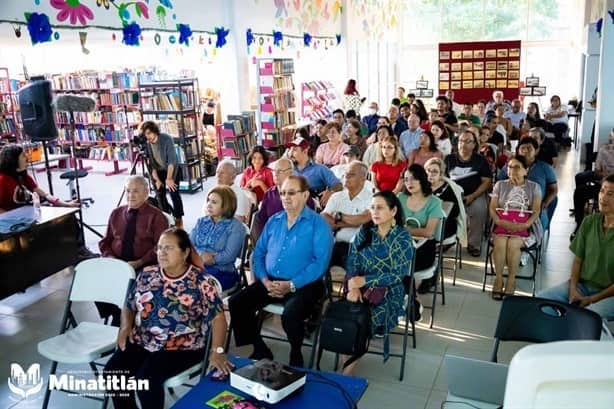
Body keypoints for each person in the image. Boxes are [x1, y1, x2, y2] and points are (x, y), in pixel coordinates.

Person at [104, 228, 232, 409]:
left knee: (146, 381)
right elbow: (129, 304)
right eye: (160, 248)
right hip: (145, 339)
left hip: (183, 346)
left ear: (185, 252)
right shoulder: (147, 274)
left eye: (169, 248)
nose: (161, 253)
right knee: (113, 373)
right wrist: (125, 328)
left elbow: (218, 317)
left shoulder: (201, 281)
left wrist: (217, 351)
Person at [229, 176, 334, 367]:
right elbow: (259, 253)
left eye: (291, 193)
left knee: (291, 314)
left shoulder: (318, 224)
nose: (285, 197)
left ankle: (296, 352)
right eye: (283, 193)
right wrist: (264, 280)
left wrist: (291, 285)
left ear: (305, 195)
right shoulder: (274, 221)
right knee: (237, 302)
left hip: (305, 284)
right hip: (271, 281)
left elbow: (320, 264)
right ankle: (259, 346)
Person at [343, 191, 414, 374]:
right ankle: (347, 367)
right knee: (348, 317)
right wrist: (354, 284)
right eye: (372, 207)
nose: (374, 212)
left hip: (389, 291)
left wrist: (365, 280)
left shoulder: (402, 237)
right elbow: (352, 259)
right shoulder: (366, 231)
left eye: (380, 208)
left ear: (393, 211)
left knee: (363, 320)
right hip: (359, 285)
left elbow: (398, 274)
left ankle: (345, 374)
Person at [538, 174, 614, 321]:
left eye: (610, 194)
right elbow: (578, 260)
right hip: (583, 286)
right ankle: (557, 337)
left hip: (609, 294)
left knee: (588, 317)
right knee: (541, 300)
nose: (603, 197)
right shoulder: (589, 222)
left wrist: (592, 299)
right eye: (602, 191)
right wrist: (573, 289)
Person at [98, 175, 169, 325]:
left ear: (146, 193)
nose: (131, 195)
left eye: (135, 191)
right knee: (94, 280)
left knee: (130, 284)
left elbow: (160, 248)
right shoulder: (116, 213)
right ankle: (117, 313)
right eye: (128, 191)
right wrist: (112, 260)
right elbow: (105, 243)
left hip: (144, 265)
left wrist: (139, 262)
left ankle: (123, 320)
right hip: (117, 263)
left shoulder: (157, 217)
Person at [489, 156, 543, 299]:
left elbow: (536, 210)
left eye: (517, 167)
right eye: (510, 167)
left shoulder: (534, 187)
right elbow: (493, 207)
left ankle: (511, 279)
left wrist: (524, 225)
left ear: (526, 170)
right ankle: (498, 278)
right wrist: (499, 221)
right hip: (502, 224)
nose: (512, 170)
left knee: (513, 243)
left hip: (526, 226)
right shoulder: (500, 185)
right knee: (500, 242)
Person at [398, 164, 445, 297]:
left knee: (400, 263)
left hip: (424, 247)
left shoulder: (434, 202)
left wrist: (404, 230)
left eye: (413, 178)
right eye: (406, 179)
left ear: (422, 179)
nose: (409, 183)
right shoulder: (400, 198)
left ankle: (408, 301)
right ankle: (407, 301)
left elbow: (428, 232)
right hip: (401, 244)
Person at [445, 130, 493, 257]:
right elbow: (443, 179)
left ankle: (473, 244)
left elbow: (487, 182)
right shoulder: (449, 159)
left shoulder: (480, 160)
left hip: (474, 195)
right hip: (452, 195)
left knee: (479, 210)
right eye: (461, 141)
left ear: (474, 145)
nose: (463, 144)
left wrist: (472, 196)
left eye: (468, 141)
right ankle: (447, 239)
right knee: (442, 209)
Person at [190, 186, 245, 291]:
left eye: (214, 202)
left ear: (226, 205)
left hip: (222, 272)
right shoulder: (201, 221)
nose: (209, 205)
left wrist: (213, 259)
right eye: (208, 201)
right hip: (197, 267)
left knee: (193, 288)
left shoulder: (235, 226)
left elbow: (229, 255)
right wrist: (202, 255)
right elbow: (189, 245)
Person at [322, 161, 373, 270]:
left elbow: (363, 219)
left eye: (351, 175)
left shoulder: (371, 198)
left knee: (353, 270)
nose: (346, 177)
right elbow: (324, 219)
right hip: (334, 244)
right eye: (345, 174)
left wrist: (339, 216)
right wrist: (353, 222)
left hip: (358, 247)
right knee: (314, 264)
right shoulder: (336, 197)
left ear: (363, 177)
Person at [499, 137, 558, 230]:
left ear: (536, 151)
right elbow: (499, 185)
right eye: (522, 148)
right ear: (518, 150)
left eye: (529, 148)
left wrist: (546, 203)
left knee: (539, 219)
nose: (525, 151)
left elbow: (554, 189)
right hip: (511, 204)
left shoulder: (545, 168)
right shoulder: (509, 166)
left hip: (536, 205)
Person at [0, 144, 79, 213]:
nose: (27, 157)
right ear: (13, 161)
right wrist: (11, 219)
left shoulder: (24, 176)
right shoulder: (2, 180)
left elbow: (45, 195)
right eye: (23, 155)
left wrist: (66, 204)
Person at [256, 157, 315, 239]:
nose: (275, 174)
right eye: (274, 171)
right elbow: (262, 220)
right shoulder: (269, 194)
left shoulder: (301, 193)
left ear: (291, 173)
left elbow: (310, 221)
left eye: (279, 171)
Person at [141, 121, 184, 228]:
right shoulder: (147, 144)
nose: (148, 137)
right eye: (145, 134)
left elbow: (172, 161)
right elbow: (151, 165)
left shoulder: (166, 139)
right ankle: (165, 216)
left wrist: (169, 179)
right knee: (160, 194)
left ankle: (179, 218)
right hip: (158, 171)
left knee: (174, 192)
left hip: (171, 169)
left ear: (155, 131)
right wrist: (157, 180)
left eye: (149, 133)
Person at [572, 128, 614, 235]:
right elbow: (597, 172)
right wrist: (604, 174)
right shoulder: (604, 150)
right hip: (603, 186)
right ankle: (580, 224)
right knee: (579, 192)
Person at [287, 136, 341, 207]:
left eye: (294, 150)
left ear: (305, 151)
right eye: (289, 150)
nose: (290, 153)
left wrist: (330, 191)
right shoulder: (287, 170)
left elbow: (338, 185)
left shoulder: (320, 169)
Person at [425, 158, 464, 242]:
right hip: (424, 222)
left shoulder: (448, 189)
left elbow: (454, 213)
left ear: (441, 174)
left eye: (435, 171)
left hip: (444, 225)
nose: (430, 174)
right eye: (428, 170)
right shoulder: (421, 187)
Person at [216, 160, 252, 224]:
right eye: (217, 172)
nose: (218, 176)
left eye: (222, 173)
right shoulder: (214, 191)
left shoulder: (239, 195)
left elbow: (238, 221)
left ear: (233, 177)